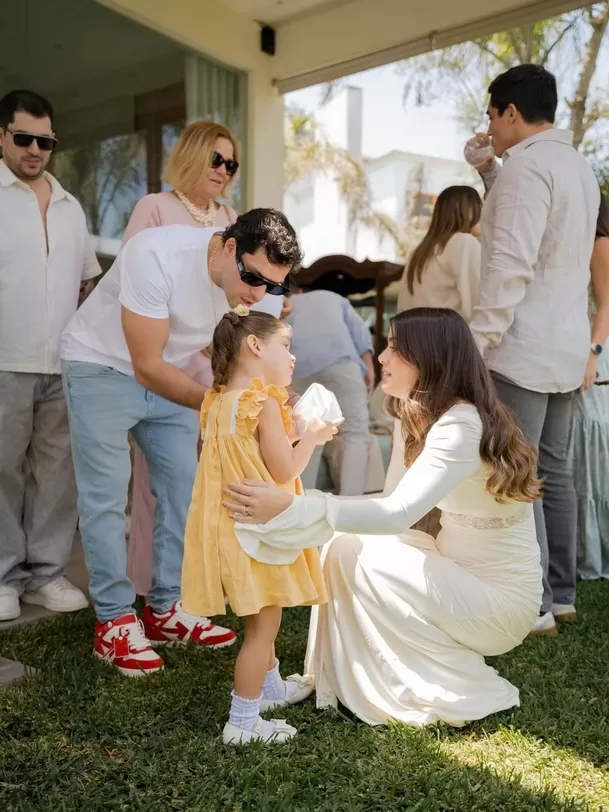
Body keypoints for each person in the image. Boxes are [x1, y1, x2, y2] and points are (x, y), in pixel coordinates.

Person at [223, 308, 543, 728]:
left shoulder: (461, 425)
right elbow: (392, 502)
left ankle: (438, 680)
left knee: (351, 547)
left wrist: (292, 508)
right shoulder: (413, 413)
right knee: (344, 546)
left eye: (395, 347)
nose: (380, 356)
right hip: (455, 574)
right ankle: (373, 672)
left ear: (428, 358)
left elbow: (395, 514)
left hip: (500, 603)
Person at [60, 209, 299, 675]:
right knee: (106, 496)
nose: (258, 294)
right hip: (101, 365)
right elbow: (146, 364)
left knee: (185, 490)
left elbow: (256, 367)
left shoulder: (263, 292)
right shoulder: (157, 253)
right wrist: (216, 405)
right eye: (252, 277)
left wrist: (278, 413)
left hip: (172, 372)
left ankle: (166, 608)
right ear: (229, 247)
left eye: (272, 286)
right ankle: (113, 620)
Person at [468, 64, 600, 636]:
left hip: (521, 348)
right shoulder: (578, 167)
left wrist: (476, 342)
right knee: (554, 472)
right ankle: (563, 595)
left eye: (492, 116)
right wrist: (488, 168)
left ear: (512, 113)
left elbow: (510, 262)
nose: (490, 127)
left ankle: (537, 604)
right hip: (568, 347)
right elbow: (537, 235)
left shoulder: (527, 169)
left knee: (518, 474)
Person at [182, 307, 338, 744]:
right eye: (285, 345)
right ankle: (243, 723)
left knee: (259, 616)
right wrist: (313, 437)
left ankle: (269, 691)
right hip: (258, 530)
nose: (291, 358)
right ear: (255, 345)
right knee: (261, 632)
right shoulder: (263, 402)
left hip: (228, 530)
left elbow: (240, 460)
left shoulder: (217, 404)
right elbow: (285, 469)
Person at [123, 121, 253, 599]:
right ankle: (150, 583)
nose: (223, 170)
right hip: (163, 361)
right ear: (194, 155)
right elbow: (133, 284)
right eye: (216, 159)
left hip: (214, 362)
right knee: (157, 478)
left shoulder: (232, 217)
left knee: (217, 472)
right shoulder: (154, 208)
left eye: (231, 163)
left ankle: (204, 580)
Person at [0, 89, 100, 622]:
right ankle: (2, 575)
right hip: (4, 358)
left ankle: (46, 574)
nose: (35, 149)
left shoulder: (69, 206)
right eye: (23, 138)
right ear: (2, 136)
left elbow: (88, 284)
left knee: (57, 473)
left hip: (63, 363)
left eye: (45, 140)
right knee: (3, 472)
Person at [288, 287, 374, 495]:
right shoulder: (335, 297)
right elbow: (360, 332)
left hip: (298, 369)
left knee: (308, 434)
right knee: (355, 435)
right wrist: (368, 366)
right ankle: (351, 505)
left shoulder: (285, 304)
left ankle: (301, 500)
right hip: (341, 365)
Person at [568, 194, 609, 579]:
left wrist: (592, 353)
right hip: (582, 347)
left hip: (592, 350)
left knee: (587, 445)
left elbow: (608, 303)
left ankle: (591, 552)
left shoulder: (600, 243)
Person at [397, 185, 482, 321]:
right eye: (479, 207)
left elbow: (403, 307)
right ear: (468, 210)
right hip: (450, 338)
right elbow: (478, 304)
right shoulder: (464, 243)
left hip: (415, 337)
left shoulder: (418, 252)